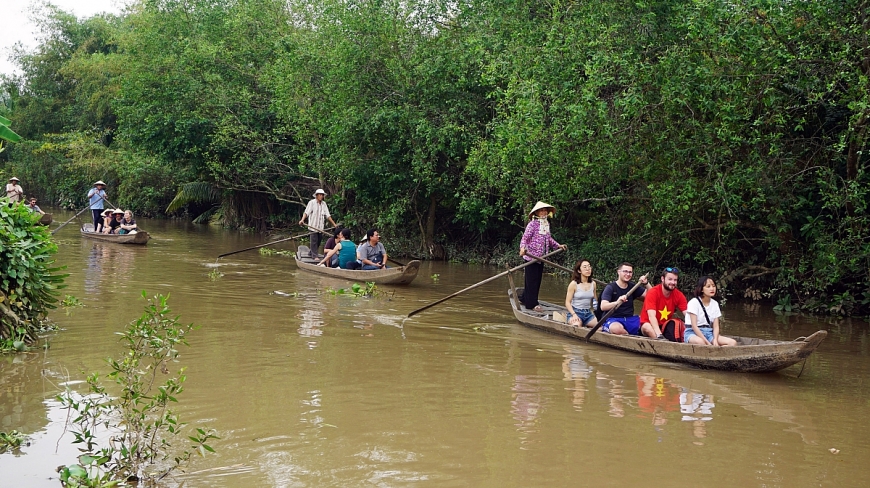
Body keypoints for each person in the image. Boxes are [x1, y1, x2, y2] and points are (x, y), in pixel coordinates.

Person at [519, 201, 567, 312]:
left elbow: (548, 239)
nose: (544, 212)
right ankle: (531, 304)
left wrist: (558, 245)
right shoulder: (532, 224)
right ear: (537, 212)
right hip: (531, 257)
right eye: (541, 210)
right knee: (532, 281)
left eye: (545, 210)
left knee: (537, 280)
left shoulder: (546, 224)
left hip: (541, 258)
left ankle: (524, 298)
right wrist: (522, 248)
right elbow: (525, 239)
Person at [600, 263, 651, 335]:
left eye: (630, 272)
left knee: (649, 324)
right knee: (616, 329)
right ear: (618, 272)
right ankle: (632, 339)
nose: (628, 274)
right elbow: (603, 306)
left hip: (630, 319)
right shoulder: (610, 287)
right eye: (625, 271)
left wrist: (646, 283)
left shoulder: (633, 287)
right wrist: (617, 302)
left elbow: (651, 295)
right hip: (613, 319)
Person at [685, 276, 737, 346]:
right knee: (701, 343)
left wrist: (715, 339)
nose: (712, 289)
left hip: (709, 332)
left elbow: (716, 326)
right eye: (708, 286)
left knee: (732, 343)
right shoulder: (694, 302)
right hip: (692, 332)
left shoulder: (715, 304)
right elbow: (694, 326)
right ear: (702, 289)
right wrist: (707, 342)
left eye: (713, 286)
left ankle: (718, 354)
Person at [640, 267, 689, 339]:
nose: (673, 282)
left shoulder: (679, 295)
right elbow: (651, 317)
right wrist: (659, 334)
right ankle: (662, 343)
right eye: (670, 279)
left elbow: (688, 315)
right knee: (647, 327)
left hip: (664, 326)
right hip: (649, 325)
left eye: (675, 280)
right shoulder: (653, 292)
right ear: (662, 279)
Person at [298, 189, 338, 259]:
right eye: (320, 194)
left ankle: (311, 252)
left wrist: (334, 224)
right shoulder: (312, 203)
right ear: (316, 195)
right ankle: (315, 256)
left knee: (318, 242)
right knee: (314, 242)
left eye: (322, 195)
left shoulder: (324, 204)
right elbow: (306, 212)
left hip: (320, 228)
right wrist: (302, 220)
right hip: (313, 227)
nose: (321, 196)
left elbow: (328, 215)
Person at [564, 260, 598, 328]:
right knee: (577, 326)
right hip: (576, 312)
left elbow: (595, 300)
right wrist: (574, 314)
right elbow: (567, 302)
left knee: (602, 326)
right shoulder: (573, 284)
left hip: (588, 313)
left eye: (589, 266)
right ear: (579, 271)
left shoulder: (593, 284)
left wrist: (598, 313)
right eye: (585, 267)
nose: (588, 269)